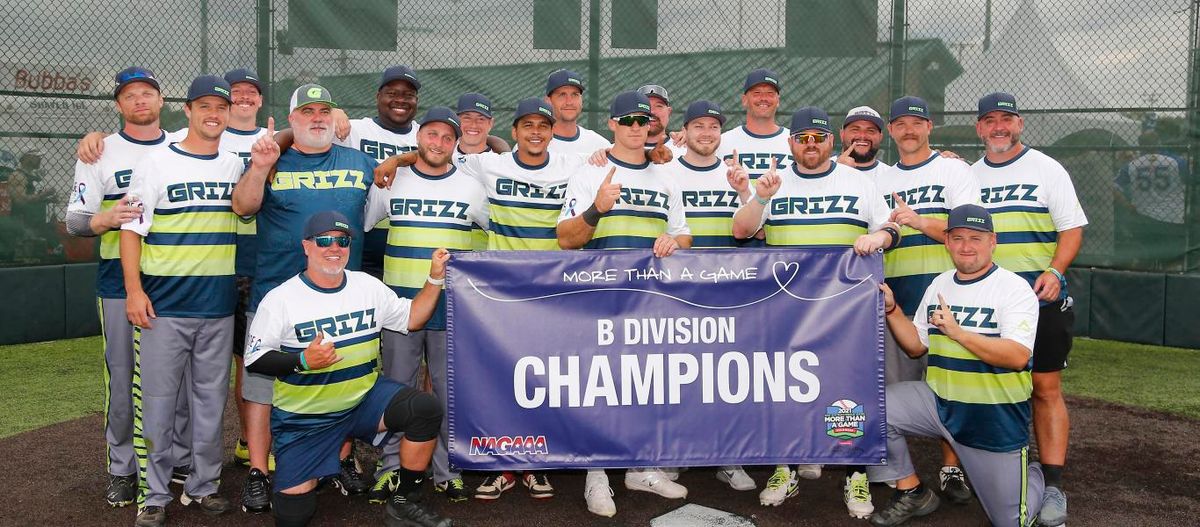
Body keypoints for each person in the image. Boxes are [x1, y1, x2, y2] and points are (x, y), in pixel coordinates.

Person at [730, 106, 901, 516]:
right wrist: (760, 196)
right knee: (786, 390)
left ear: (831, 141)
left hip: (846, 313)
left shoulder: (857, 182)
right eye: (803, 138)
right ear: (791, 143)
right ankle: (785, 469)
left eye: (818, 138)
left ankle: (855, 473)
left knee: (850, 391)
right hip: (785, 311)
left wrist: (878, 237)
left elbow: (891, 228)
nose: (811, 144)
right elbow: (741, 231)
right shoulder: (774, 182)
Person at [121, 75, 272, 527]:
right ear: (186, 111)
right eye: (204, 106)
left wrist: (261, 163)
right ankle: (154, 494)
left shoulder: (233, 164)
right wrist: (134, 291)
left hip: (217, 306)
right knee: (159, 403)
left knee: (210, 402)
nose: (213, 114)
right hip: (164, 306)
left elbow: (248, 204)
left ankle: (202, 485)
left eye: (221, 107)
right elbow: (131, 230)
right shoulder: (156, 162)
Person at [244, 210, 451, 527]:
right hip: (307, 419)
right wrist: (302, 361)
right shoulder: (281, 299)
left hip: (362, 401)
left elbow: (413, 318)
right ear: (306, 246)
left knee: (424, 409)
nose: (334, 248)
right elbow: (255, 359)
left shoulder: (366, 286)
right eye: (324, 240)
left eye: (342, 241)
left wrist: (435, 277)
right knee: (293, 516)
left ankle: (404, 504)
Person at [231, 83, 380, 511]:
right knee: (262, 385)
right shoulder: (270, 158)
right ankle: (258, 470)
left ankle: (341, 459)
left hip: (341, 296)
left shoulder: (359, 162)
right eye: (308, 111)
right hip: (276, 293)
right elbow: (242, 207)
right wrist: (260, 167)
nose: (317, 118)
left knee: (342, 380)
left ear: (335, 118)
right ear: (292, 119)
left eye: (324, 111)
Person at [557, 90, 693, 518]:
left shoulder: (667, 174)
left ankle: (641, 468)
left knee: (648, 382)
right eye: (628, 120)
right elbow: (565, 239)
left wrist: (674, 241)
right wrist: (597, 209)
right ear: (612, 124)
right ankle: (596, 474)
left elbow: (684, 233)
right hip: (601, 299)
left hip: (652, 301)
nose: (637, 127)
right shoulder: (590, 171)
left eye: (643, 120)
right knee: (600, 385)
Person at [871, 204, 1045, 527]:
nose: (966, 246)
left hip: (991, 419)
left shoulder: (1014, 288)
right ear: (948, 241)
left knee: (1012, 522)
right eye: (958, 238)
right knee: (872, 409)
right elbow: (916, 346)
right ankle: (912, 490)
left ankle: (1037, 476)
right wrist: (892, 310)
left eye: (976, 238)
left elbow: (1018, 356)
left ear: (992, 241)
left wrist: (958, 333)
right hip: (939, 404)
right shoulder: (939, 284)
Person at [64, 66, 191, 509]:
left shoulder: (184, 144)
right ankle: (122, 468)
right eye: (130, 95)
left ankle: (177, 459)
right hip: (119, 283)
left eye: (147, 93)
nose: (140, 100)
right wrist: (103, 219)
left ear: (161, 100)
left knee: (176, 380)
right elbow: (75, 221)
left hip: (175, 281)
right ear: (119, 104)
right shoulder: (100, 151)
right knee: (122, 381)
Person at [972, 92, 1087, 527]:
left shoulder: (1046, 168)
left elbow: (1071, 228)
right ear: (979, 128)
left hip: (1039, 297)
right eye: (990, 120)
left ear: (1020, 124)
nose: (998, 127)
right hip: (986, 299)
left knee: (1044, 387)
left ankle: (1053, 484)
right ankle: (982, 472)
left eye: (1007, 119)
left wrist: (1055, 271)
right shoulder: (968, 175)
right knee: (987, 387)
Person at [364, 107, 490, 505]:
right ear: (418, 137)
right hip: (400, 307)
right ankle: (390, 469)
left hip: (451, 306)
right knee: (397, 389)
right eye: (431, 134)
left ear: (455, 144)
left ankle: (447, 470)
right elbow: (366, 226)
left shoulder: (471, 187)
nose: (438, 143)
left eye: (447, 137)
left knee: (449, 391)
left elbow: (492, 234)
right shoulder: (391, 181)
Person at [880, 96, 981, 505]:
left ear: (929, 127)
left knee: (951, 389)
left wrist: (920, 221)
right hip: (898, 304)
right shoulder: (880, 178)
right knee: (893, 396)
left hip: (948, 300)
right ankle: (903, 479)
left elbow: (968, 233)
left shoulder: (953, 169)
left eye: (916, 123)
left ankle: (951, 468)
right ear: (891, 130)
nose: (909, 130)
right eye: (901, 124)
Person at [664, 99, 758, 492]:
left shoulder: (735, 174)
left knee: (726, 378)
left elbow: (754, 232)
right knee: (677, 376)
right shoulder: (666, 171)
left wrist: (745, 191)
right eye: (699, 126)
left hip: (727, 292)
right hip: (676, 291)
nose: (706, 133)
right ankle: (675, 451)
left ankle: (728, 457)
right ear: (684, 131)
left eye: (714, 127)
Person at [1113, 129, 1188, 271]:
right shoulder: (1176, 162)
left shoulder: (1132, 165)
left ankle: (1145, 279)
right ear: (1158, 143)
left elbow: (1114, 187)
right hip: (1173, 217)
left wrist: (1127, 205)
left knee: (1146, 257)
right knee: (1172, 259)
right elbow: (1191, 182)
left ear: (1140, 145)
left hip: (1144, 217)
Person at [544, 69, 611, 155]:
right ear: (548, 101)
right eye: (562, 95)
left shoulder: (599, 145)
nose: (569, 102)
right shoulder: (536, 145)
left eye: (575, 94)